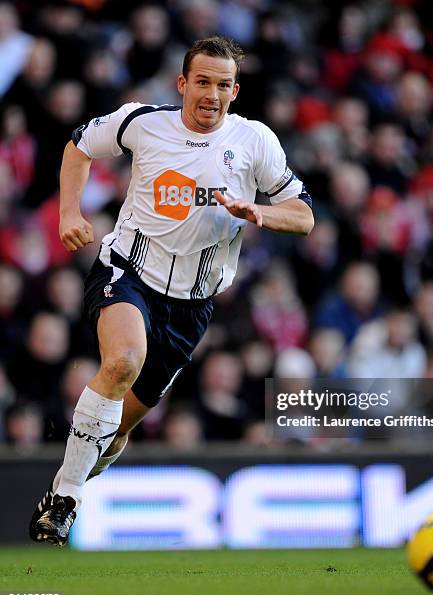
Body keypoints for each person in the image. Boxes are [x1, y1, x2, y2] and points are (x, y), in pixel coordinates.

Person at [30, 36, 313, 547]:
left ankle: (77, 476)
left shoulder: (255, 142)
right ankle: (64, 497)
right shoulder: (143, 122)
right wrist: (70, 212)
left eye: (222, 84)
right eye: (201, 81)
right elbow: (78, 145)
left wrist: (261, 213)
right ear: (183, 84)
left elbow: (304, 215)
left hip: (192, 304)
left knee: (116, 435)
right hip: (128, 272)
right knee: (121, 362)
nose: (211, 93)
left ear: (235, 91)